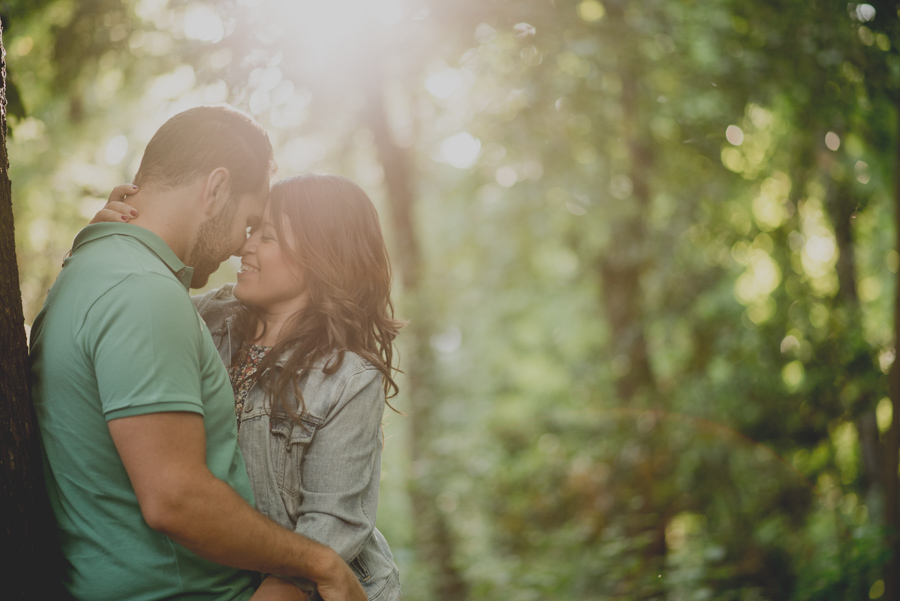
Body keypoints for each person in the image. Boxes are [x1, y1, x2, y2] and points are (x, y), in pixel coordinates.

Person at [28, 105, 366, 601]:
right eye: (250, 223)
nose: (239, 248)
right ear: (215, 189)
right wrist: (319, 563)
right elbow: (176, 498)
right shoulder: (144, 295)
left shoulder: (90, 272)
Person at [98, 174, 403, 601]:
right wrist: (110, 240)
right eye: (253, 230)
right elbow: (128, 303)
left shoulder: (349, 377)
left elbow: (333, 526)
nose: (245, 246)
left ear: (322, 256)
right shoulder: (206, 315)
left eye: (269, 236)